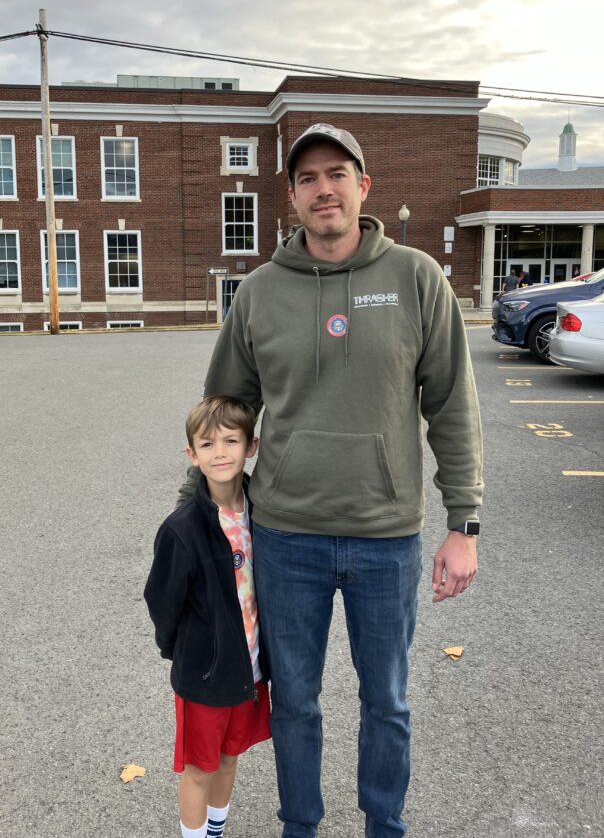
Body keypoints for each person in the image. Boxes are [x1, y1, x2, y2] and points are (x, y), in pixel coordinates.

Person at [178, 122, 484, 837]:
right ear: (291, 196)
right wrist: (200, 519)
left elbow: (452, 406)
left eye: (337, 173)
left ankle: (385, 823)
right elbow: (224, 414)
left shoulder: (415, 278)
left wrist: (463, 524)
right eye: (308, 178)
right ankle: (301, 825)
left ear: (363, 186)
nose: (324, 188)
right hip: (287, 536)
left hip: (387, 538)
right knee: (295, 702)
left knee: (388, 702)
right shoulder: (257, 294)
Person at [145, 396, 271, 838]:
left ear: (250, 446)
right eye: (207, 444)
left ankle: (215, 830)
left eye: (231, 441)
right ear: (191, 455)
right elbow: (163, 601)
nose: (220, 453)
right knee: (201, 766)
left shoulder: (265, 513)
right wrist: (183, 652)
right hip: (205, 673)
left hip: (249, 668)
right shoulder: (182, 528)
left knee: (231, 756)